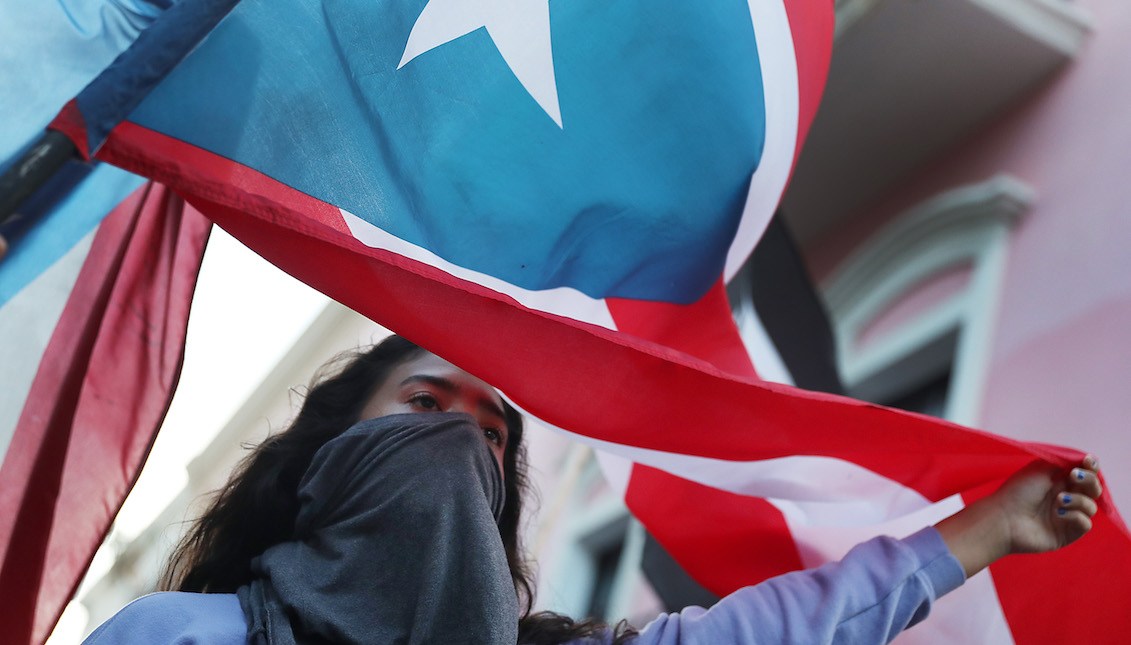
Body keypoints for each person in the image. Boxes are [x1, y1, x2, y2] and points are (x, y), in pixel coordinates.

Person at [82, 335, 1103, 645]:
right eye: (426, 406)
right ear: (324, 452)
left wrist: (988, 528)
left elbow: (787, 629)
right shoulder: (180, 633)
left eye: (491, 437)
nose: (457, 446)